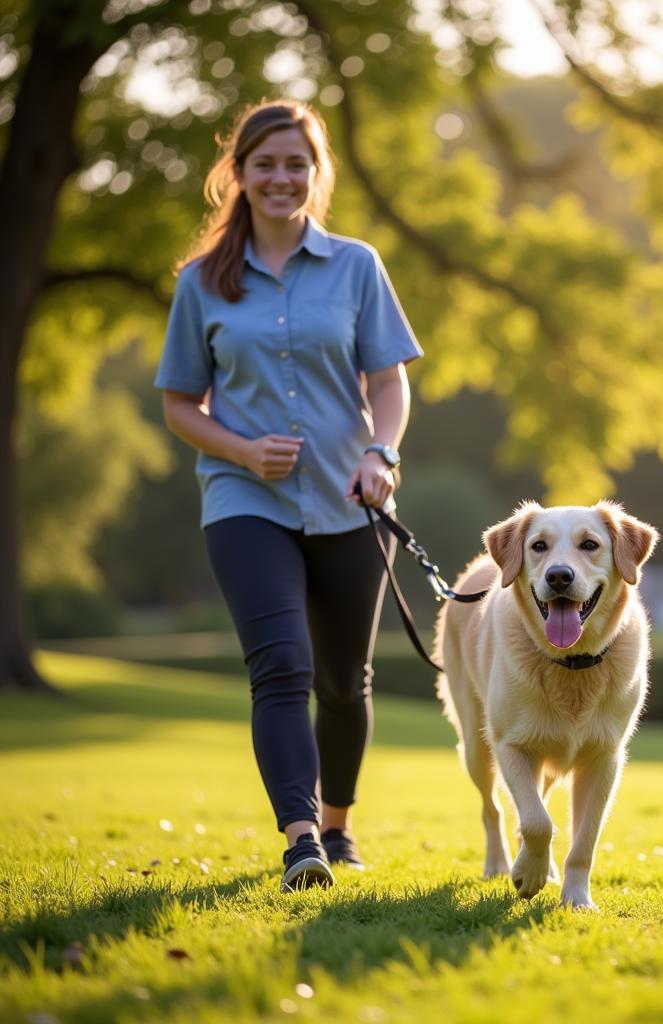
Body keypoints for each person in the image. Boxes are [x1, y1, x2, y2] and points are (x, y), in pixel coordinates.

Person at [155, 100, 422, 892]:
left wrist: (382, 454)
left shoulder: (356, 265)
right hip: (245, 503)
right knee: (281, 666)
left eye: (296, 163)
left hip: (351, 500)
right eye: (265, 163)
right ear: (237, 173)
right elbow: (178, 403)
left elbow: (389, 380)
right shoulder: (202, 284)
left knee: (344, 680)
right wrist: (240, 449)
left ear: (316, 173)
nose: (281, 177)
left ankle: (339, 829)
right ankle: (301, 839)